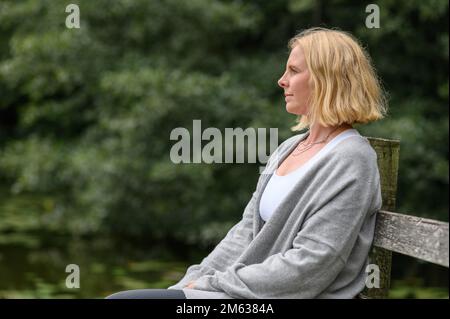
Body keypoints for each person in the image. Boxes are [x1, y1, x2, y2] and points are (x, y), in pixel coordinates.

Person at [106, 27, 386, 299]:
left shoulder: (351, 159)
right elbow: (242, 235)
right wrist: (191, 282)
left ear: (327, 79)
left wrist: (215, 285)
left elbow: (311, 264)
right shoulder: (289, 148)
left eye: (294, 71)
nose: (282, 80)